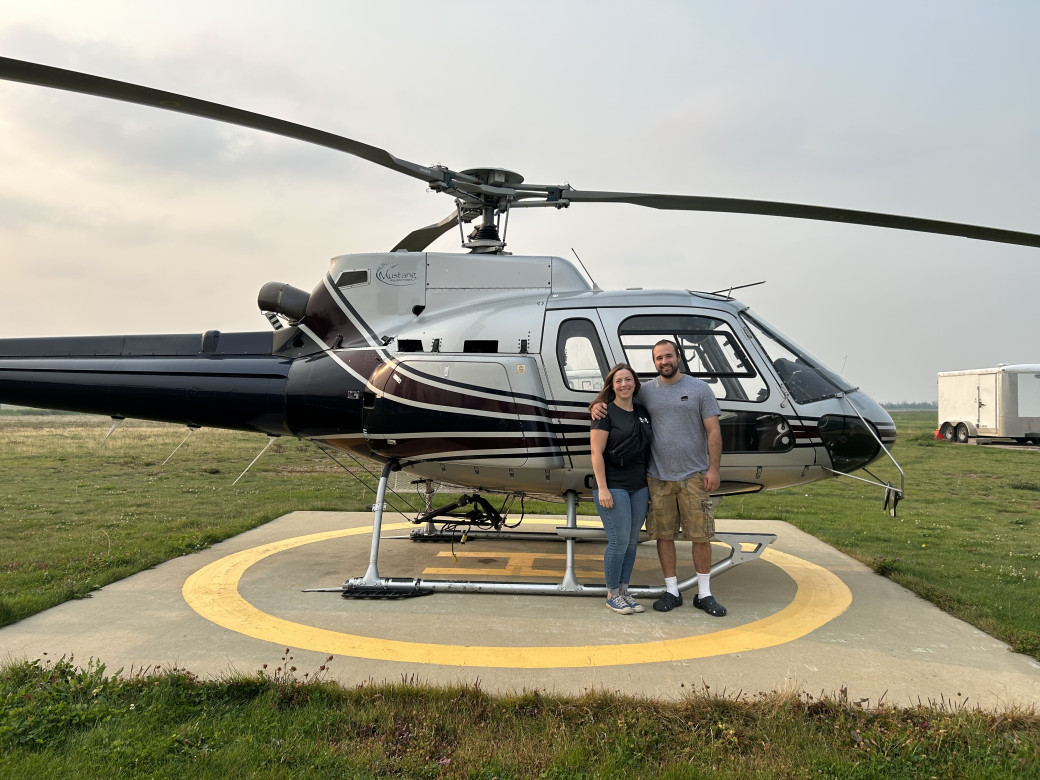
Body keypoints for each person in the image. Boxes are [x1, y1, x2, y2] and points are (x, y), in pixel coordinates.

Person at [592, 339, 727, 617]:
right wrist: (594, 406)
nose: (664, 362)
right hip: (657, 478)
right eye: (658, 359)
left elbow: (714, 431)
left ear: (678, 357)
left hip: (693, 475)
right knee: (663, 536)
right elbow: (615, 400)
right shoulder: (647, 392)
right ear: (654, 363)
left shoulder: (700, 389)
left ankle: (705, 593)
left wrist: (714, 468)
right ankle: (671, 590)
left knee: (700, 535)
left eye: (668, 356)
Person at [589, 363, 653, 615]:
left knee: (632, 542)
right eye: (618, 381)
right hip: (613, 485)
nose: (624, 384)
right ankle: (612, 593)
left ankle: (625, 591)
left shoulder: (643, 411)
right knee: (618, 541)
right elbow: (596, 453)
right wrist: (602, 488)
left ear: (635, 383)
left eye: (628, 380)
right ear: (611, 386)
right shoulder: (604, 413)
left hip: (639, 486)